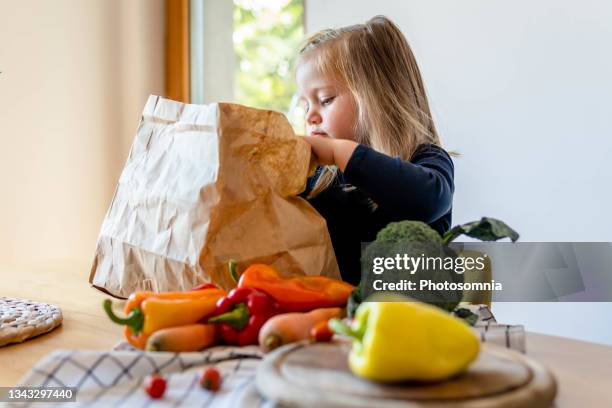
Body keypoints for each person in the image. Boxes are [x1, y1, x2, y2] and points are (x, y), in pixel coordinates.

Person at [295, 16, 455, 285]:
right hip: (338, 319)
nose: (311, 115)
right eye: (305, 106)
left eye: (325, 100)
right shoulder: (320, 180)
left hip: (408, 318)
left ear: (378, 98)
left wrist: (338, 152)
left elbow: (427, 202)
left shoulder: (426, 160)